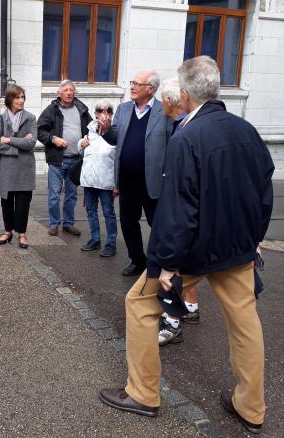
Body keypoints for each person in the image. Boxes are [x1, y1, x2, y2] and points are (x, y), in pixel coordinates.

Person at [99, 56, 274, 435]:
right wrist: (255, 240)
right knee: (245, 323)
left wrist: (166, 263)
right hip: (237, 247)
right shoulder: (247, 130)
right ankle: (251, 407)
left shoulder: (186, 137)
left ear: (186, 93)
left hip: (196, 249)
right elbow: (265, 194)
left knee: (139, 304)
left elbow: (178, 209)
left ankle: (143, 393)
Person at [101, 71, 172, 276]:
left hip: (153, 180)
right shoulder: (123, 109)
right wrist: (107, 129)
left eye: (137, 84)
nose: (131, 86)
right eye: (132, 82)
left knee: (157, 224)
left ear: (150, 89)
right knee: (128, 222)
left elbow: (172, 144)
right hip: (127, 180)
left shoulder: (164, 111)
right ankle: (137, 260)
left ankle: (162, 263)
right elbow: (115, 138)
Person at [158, 77, 199, 346]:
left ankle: (172, 322)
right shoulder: (181, 125)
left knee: (173, 268)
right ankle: (191, 307)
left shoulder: (185, 131)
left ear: (171, 101)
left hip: (184, 213)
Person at [37, 80, 93, 237]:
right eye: (66, 90)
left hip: (76, 160)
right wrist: (53, 139)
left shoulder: (81, 109)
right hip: (57, 160)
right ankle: (54, 224)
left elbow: (92, 129)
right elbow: (39, 130)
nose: (69, 93)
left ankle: (68, 224)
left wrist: (89, 139)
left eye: (71, 90)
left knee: (71, 195)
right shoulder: (52, 110)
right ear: (59, 93)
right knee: (54, 194)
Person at [0, 84, 37, 249]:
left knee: (23, 202)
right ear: (9, 99)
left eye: (23, 97)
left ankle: (22, 233)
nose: (21, 100)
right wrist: (20, 144)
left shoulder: (30, 118)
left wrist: (9, 139)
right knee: (7, 201)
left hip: (25, 168)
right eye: (17, 97)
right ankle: (8, 231)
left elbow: (31, 143)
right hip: (6, 167)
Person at [77, 100, 117, 257]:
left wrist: (117, 184)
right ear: (95, 114)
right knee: (91, 211)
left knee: (108, 213)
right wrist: (81, 144)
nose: (104, 113)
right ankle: (95, 239)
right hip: (89, 179)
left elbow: (119, 158)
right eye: (101, 110)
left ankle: (111, 243)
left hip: (106, 181)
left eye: (108, 110)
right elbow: (82, 150)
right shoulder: (90, 130)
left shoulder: (115, 131)